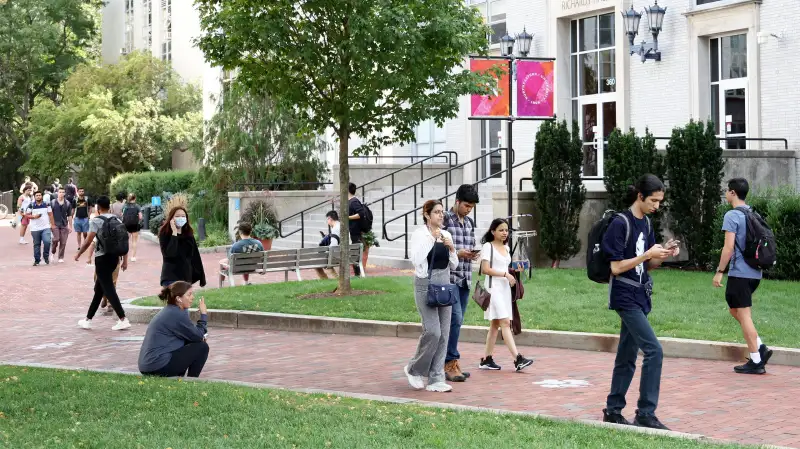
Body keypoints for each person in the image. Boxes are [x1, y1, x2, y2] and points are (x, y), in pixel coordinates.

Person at [600, 174, 678, 430]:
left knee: (627, 355)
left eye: (659, 202)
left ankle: (613, 410)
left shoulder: (646, 223)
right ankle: (645, 413)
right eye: (653, 201)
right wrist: (646, 254)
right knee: (654, 351)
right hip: (625, 296)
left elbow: (649, 265)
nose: (657, 206)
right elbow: (615, 267)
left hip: (640, 295)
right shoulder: (621, 223)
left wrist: (663, 254)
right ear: (640, 196)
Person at [713, 178, 772, 375]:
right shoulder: (752, 212)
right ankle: (760, 346)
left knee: (744, 314)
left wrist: (719, 272)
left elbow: (728, 247)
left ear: (732, 193)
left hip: (740, 273)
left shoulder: (732, 215)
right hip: (755, 272)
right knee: (735, 310)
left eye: (726, 191)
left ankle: (756, 360)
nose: (725, 194)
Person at [403, 200, 458, 393]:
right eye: (436, 212)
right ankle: (413, 368)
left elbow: (455, 265)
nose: (441, 215)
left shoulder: (446, 234)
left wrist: (451, 248)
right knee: (432, 332)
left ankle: (436, 378)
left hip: (444, 285)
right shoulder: (420, 234)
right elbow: (416, 259)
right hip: (425, 285)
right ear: (427, 215)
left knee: (444, 334)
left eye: (442, 212)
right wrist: (431, 239)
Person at [477, 218, 534, 373]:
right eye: (501, 230)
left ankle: (487, 359)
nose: (504, 233)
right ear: (492, 231)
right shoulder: (488, 247)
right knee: (504, 323)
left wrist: (515, 270)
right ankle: (518, 359)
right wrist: (505, 274)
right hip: (493, 289)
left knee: (495, 325)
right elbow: (485, 269)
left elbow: (505, 267)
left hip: (504, 289)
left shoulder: (506, 248)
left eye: (506, 230)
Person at [442, 185, 480, 383]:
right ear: (457, 201)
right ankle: (450, 362)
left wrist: (472, 254)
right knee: (455, 319)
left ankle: (449, 362)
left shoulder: (469, 222)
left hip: (465, 278)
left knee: (457, 321)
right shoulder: (446, 220)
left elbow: (469, 244)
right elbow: (439, 249)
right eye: (466, 205)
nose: (469, 209)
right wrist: (458, 253)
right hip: (449, 278)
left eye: (472, 207)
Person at [74, 196, 131, 330]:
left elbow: (89, 240)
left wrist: (79, 253)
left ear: (98, 208)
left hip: (102, 258)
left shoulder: (96, 221)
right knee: (99, 290)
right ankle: (88, 319)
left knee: (109, 289)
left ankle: (123, 318)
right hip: (114, 258)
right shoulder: (117, 219)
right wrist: (125, 260)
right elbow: (124, 239)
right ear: (109, 207)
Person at [138, 281, 210, 378]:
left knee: (191, 344)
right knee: (202, 347)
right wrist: (204, 315)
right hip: (157, 366)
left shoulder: (172, 310)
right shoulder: (176, 314)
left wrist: (198, 336)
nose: (192, 297)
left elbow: (192, 336)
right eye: (189, 295)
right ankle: (192, 381)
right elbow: (198, 336)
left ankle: (180, 378)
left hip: (149, 366)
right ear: (178, 299)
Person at [159, 206, 206, 288]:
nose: (180, 218)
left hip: (186, 277)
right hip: (171, 277)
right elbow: (169, 254)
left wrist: (201, 276)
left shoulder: (188, 234)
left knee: (186, 300)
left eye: (183, 216)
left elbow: (195, 256)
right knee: (175, 300)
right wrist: (174, 233)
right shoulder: (165, 234)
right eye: (177, 216)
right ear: (171, 218)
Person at [24, 191, 55, 266]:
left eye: (39, 195)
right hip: (35, 228)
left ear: (42, 196)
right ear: (34, 197)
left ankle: (46, 256)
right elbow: (26, 215)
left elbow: (50, 215)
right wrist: (34, 216)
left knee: (47, 241)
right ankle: (37, 260)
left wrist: (53, 225)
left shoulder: (47, 204)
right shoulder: (31, 205)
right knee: (37, 244)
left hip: (46, 227)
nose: (38, 196)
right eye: (37, 195)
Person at [50, 187, 73, 263]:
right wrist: (50, 223)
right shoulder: (53, 202)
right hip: (55, 224)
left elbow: (69, 215)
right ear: (57, 193)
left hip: (64, 224)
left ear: (65, 193)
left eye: (63, 192)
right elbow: (49, 214)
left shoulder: (68, 203)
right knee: (56, 239)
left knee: (63, 242)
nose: (61, 194)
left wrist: (70, 226)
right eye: (60, 192)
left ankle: (60, 257)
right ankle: (53, 252)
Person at [316, 210, 341, 279]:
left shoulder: (335, 228)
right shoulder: (342, 226)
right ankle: (335, 278)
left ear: (330, 218)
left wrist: (325, 252)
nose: (327, 221)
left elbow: (333, 245)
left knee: (317, 262)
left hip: (337, 256)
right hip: (344, 253)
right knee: (326, 259)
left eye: (327, 219)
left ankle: (325, 279)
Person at [347, 182, 365, 276]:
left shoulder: (354, 201)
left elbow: (361, 214)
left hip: (354, 232)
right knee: (353, 252)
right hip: (351, 231)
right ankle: (357, 273)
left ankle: (357, 274)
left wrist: (348, 217)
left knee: (355, 253)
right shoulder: (350, 201)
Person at [122, 193, 142, 262]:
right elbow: (140, 217)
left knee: (126, 241)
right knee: (134, 241)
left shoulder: (125, 206)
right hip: (135, 225)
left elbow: (122, 215)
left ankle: (124, 256)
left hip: (126, 225)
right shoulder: (137, 206)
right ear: (135, 198)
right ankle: (133, 257)